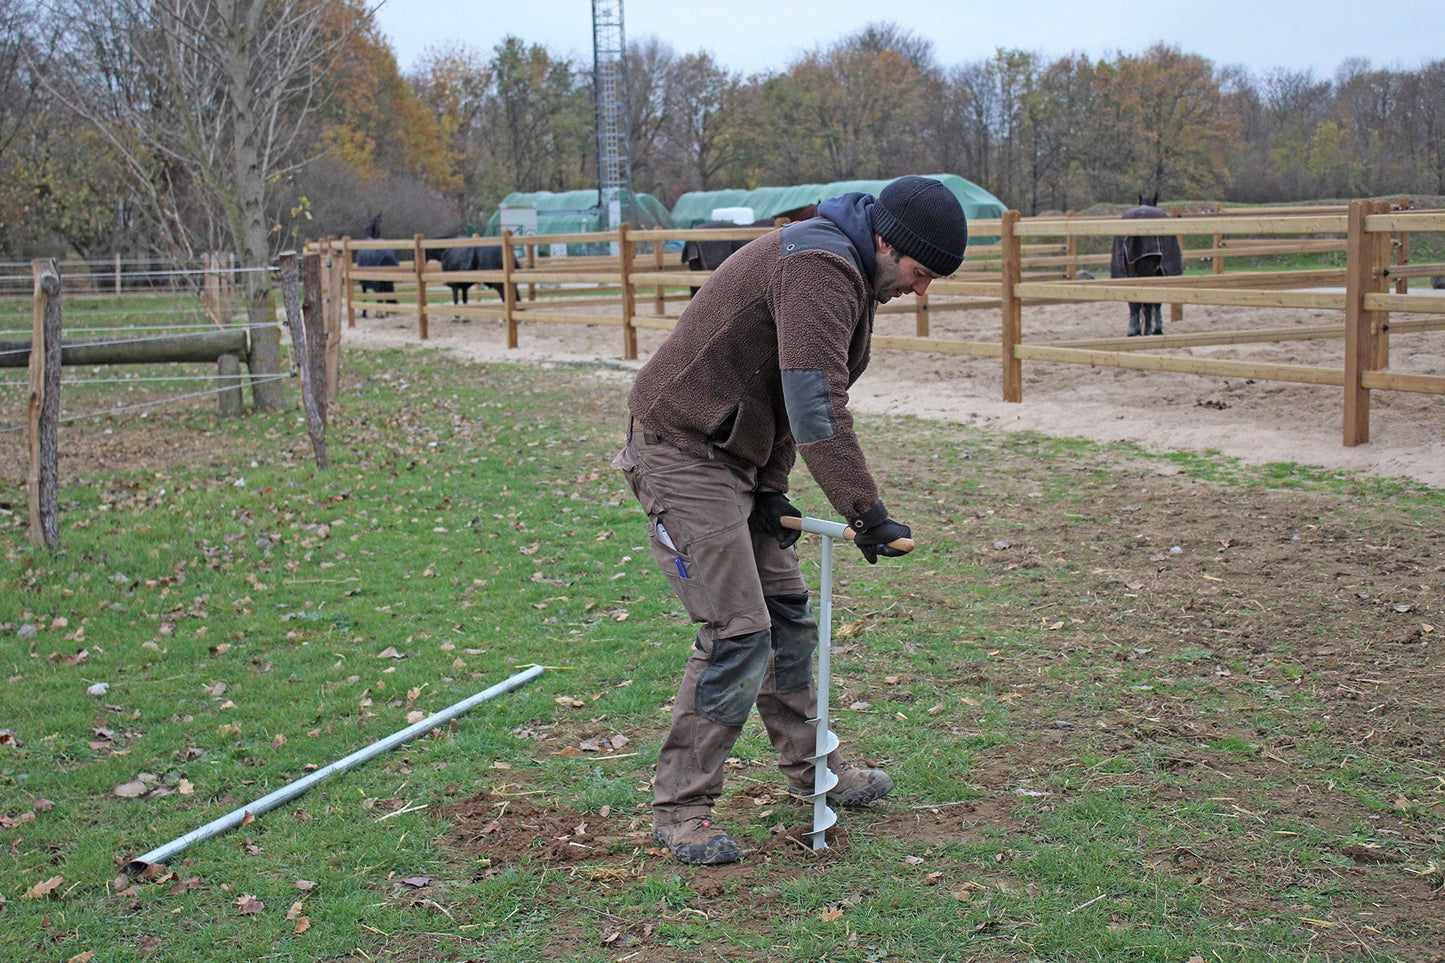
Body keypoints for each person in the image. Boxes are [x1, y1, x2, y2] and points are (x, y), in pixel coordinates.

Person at [612, 175, 969, 865]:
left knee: (786, 616)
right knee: (739, 631)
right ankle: (681, 807)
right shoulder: (818, 267)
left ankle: (815, 772)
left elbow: (779, 388)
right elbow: (813, 405)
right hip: (681, 450)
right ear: (886, 242)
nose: (920, 290)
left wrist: (773, 488)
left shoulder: (847, 271)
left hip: (735, 457)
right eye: (920, 273)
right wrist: (866, 511)